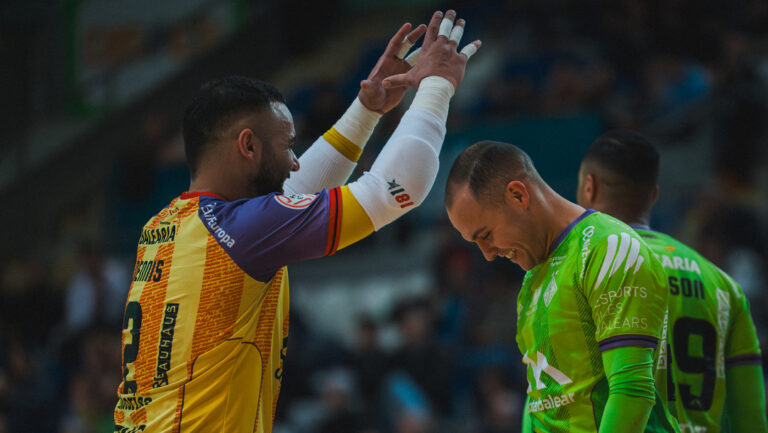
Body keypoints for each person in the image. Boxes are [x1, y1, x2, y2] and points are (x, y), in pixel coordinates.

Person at [113, 10, 481, 433]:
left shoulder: (167, 226)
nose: (293, 161)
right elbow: (400, 188)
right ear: (247, 146)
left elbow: (293, 191)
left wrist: (367, 110)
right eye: (287, 146)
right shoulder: (242, 231)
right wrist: (438, 87)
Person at [444, 141, 680, 433]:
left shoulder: (609, 247)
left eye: (486, 235)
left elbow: (632, 390)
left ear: (518, 195)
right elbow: (540, 402)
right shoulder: (531, 282)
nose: (488, 254)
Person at [576, 130, 767, 433]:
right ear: (653, 195)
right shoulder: (725, 285)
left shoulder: (583, 273)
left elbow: (550, 404)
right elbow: (752, 419)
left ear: (589, 187)